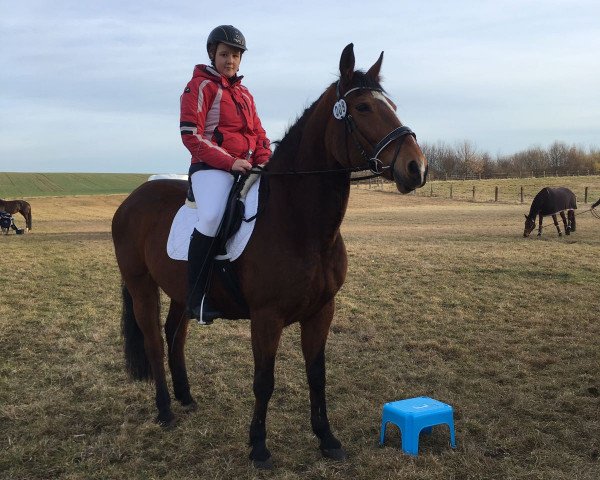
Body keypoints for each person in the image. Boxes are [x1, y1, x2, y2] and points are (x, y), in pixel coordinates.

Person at [180, 25, 271, 325]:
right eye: (223, 54)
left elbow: (258, 133)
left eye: (235, 55)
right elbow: (191, 136)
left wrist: (264, 160)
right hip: (210, 168)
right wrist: (230, 162)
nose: (229, 60)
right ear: (212, 54)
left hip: (246, 166)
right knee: (211, 216)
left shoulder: (245, 93)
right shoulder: (199, 86)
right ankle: (196, 298)